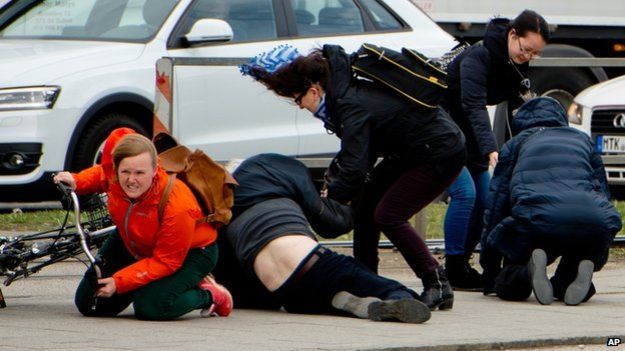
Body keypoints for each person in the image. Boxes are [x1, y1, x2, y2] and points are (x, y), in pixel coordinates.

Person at [240, 44, 466, 310]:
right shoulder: (341, 91)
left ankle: (437, 282)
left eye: (298, 99)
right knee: (367, 204)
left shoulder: (349, 103)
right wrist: (340, 188)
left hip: (440, 151)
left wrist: (332, 200)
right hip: (413, 149)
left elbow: (356, 166)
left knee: (388, 215)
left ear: (313, 90)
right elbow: (360, 153)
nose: (300, 107)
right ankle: (367, 279)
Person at [213, 153, 432, 323]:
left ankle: (340, 302)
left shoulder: (224, 214)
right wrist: (353, 205)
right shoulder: (276, 169)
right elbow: (330, 223)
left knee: (316, 292)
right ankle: (395, 300)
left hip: (284, 293)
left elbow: (233, 285)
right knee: (402, 292)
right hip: (314, 263)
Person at [53, 131, 233, 320]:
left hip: (190, 252)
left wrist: (120, 282)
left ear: (155, 170)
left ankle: (210, 295)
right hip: (135, 240)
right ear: (116, 169)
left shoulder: (178, 204)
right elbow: (101, 174)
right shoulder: (115, 176)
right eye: (125, 172)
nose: (131, 180)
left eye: (140, 173)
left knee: (152, 307)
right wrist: (76, 181)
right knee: (90, 304)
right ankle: (145, 283)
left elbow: (166, 261)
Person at [440, 9, 550, 290]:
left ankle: (463, 264)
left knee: (487, 198)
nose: (528, 58)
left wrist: (535, 142)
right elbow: (474, 107)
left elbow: (519, 108)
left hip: (467, 131)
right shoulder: (479, 57)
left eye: (535, 54)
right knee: (465, 194)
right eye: (526, 50)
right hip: (439, 128)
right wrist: (491, 148)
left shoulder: (514, 62)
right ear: (512, 35)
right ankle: (452, 267)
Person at [480, 97, 621, 305]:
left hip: (537, 219)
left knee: (510, 281)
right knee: (584, 240)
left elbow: (496, 204)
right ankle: (573, 277)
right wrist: (597, 253)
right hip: (592, 219)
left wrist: (490, 269)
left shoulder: (516, 143)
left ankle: (525, 273)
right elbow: (602, 194)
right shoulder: (583, 140)